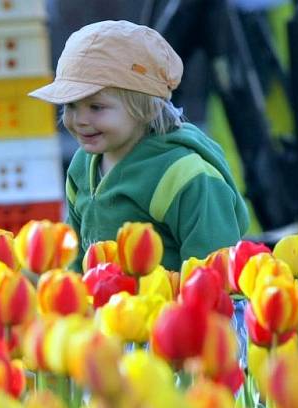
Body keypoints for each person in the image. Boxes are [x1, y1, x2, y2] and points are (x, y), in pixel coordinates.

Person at [28, 20, 250, 272]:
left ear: (143, 107)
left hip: (165, 309)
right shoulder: (82, 164)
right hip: (104, 310)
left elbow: (212, 275)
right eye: (70, 106)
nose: (79, 120)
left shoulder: (185, 174)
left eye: (96, 107)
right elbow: (76, 258)